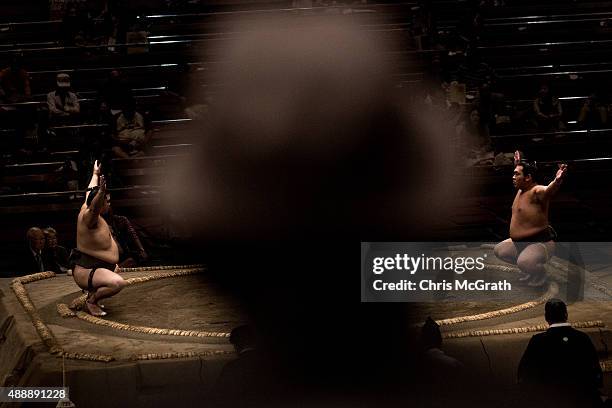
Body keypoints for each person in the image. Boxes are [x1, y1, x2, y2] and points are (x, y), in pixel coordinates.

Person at [494, 151, 568, 286]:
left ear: (528, 177)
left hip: (540, 243)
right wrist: (517, 163)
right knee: (500, 251)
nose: (513, 177)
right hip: (520, 243)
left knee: (524, 262)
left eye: (516, 174)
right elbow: (522, 172)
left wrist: (557, 181)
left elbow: (548, 190)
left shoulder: (536, 191)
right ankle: (530, 268)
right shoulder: (521, 190)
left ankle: (540, 272)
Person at [517, 299, 603, 408]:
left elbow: (524, 375)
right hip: (580, 400)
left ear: (546, 317)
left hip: (548, 401)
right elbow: (596, 374)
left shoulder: (538, 341)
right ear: (566, 315)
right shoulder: (582, 338)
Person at [69, 160, 126, 316]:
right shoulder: (89, 218)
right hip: (87, 270)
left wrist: (95, 174)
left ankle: (93, 292)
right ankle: (92, 300)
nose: (109, 203)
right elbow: (94, 207)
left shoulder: (88, 206)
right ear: (100, 203)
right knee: (117, 283)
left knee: (115, 271)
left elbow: (89, 191)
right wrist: (101, 192)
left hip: (96, 266)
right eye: (106, 201)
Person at [101, 193, 149, 267]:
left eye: (108, 202)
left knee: (135, 258)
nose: (108, 204)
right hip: (104, 255)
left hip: (121, 254)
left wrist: (141, 249)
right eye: (106, 202)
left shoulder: (120, 220)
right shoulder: (95, 221)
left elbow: (133, 235)